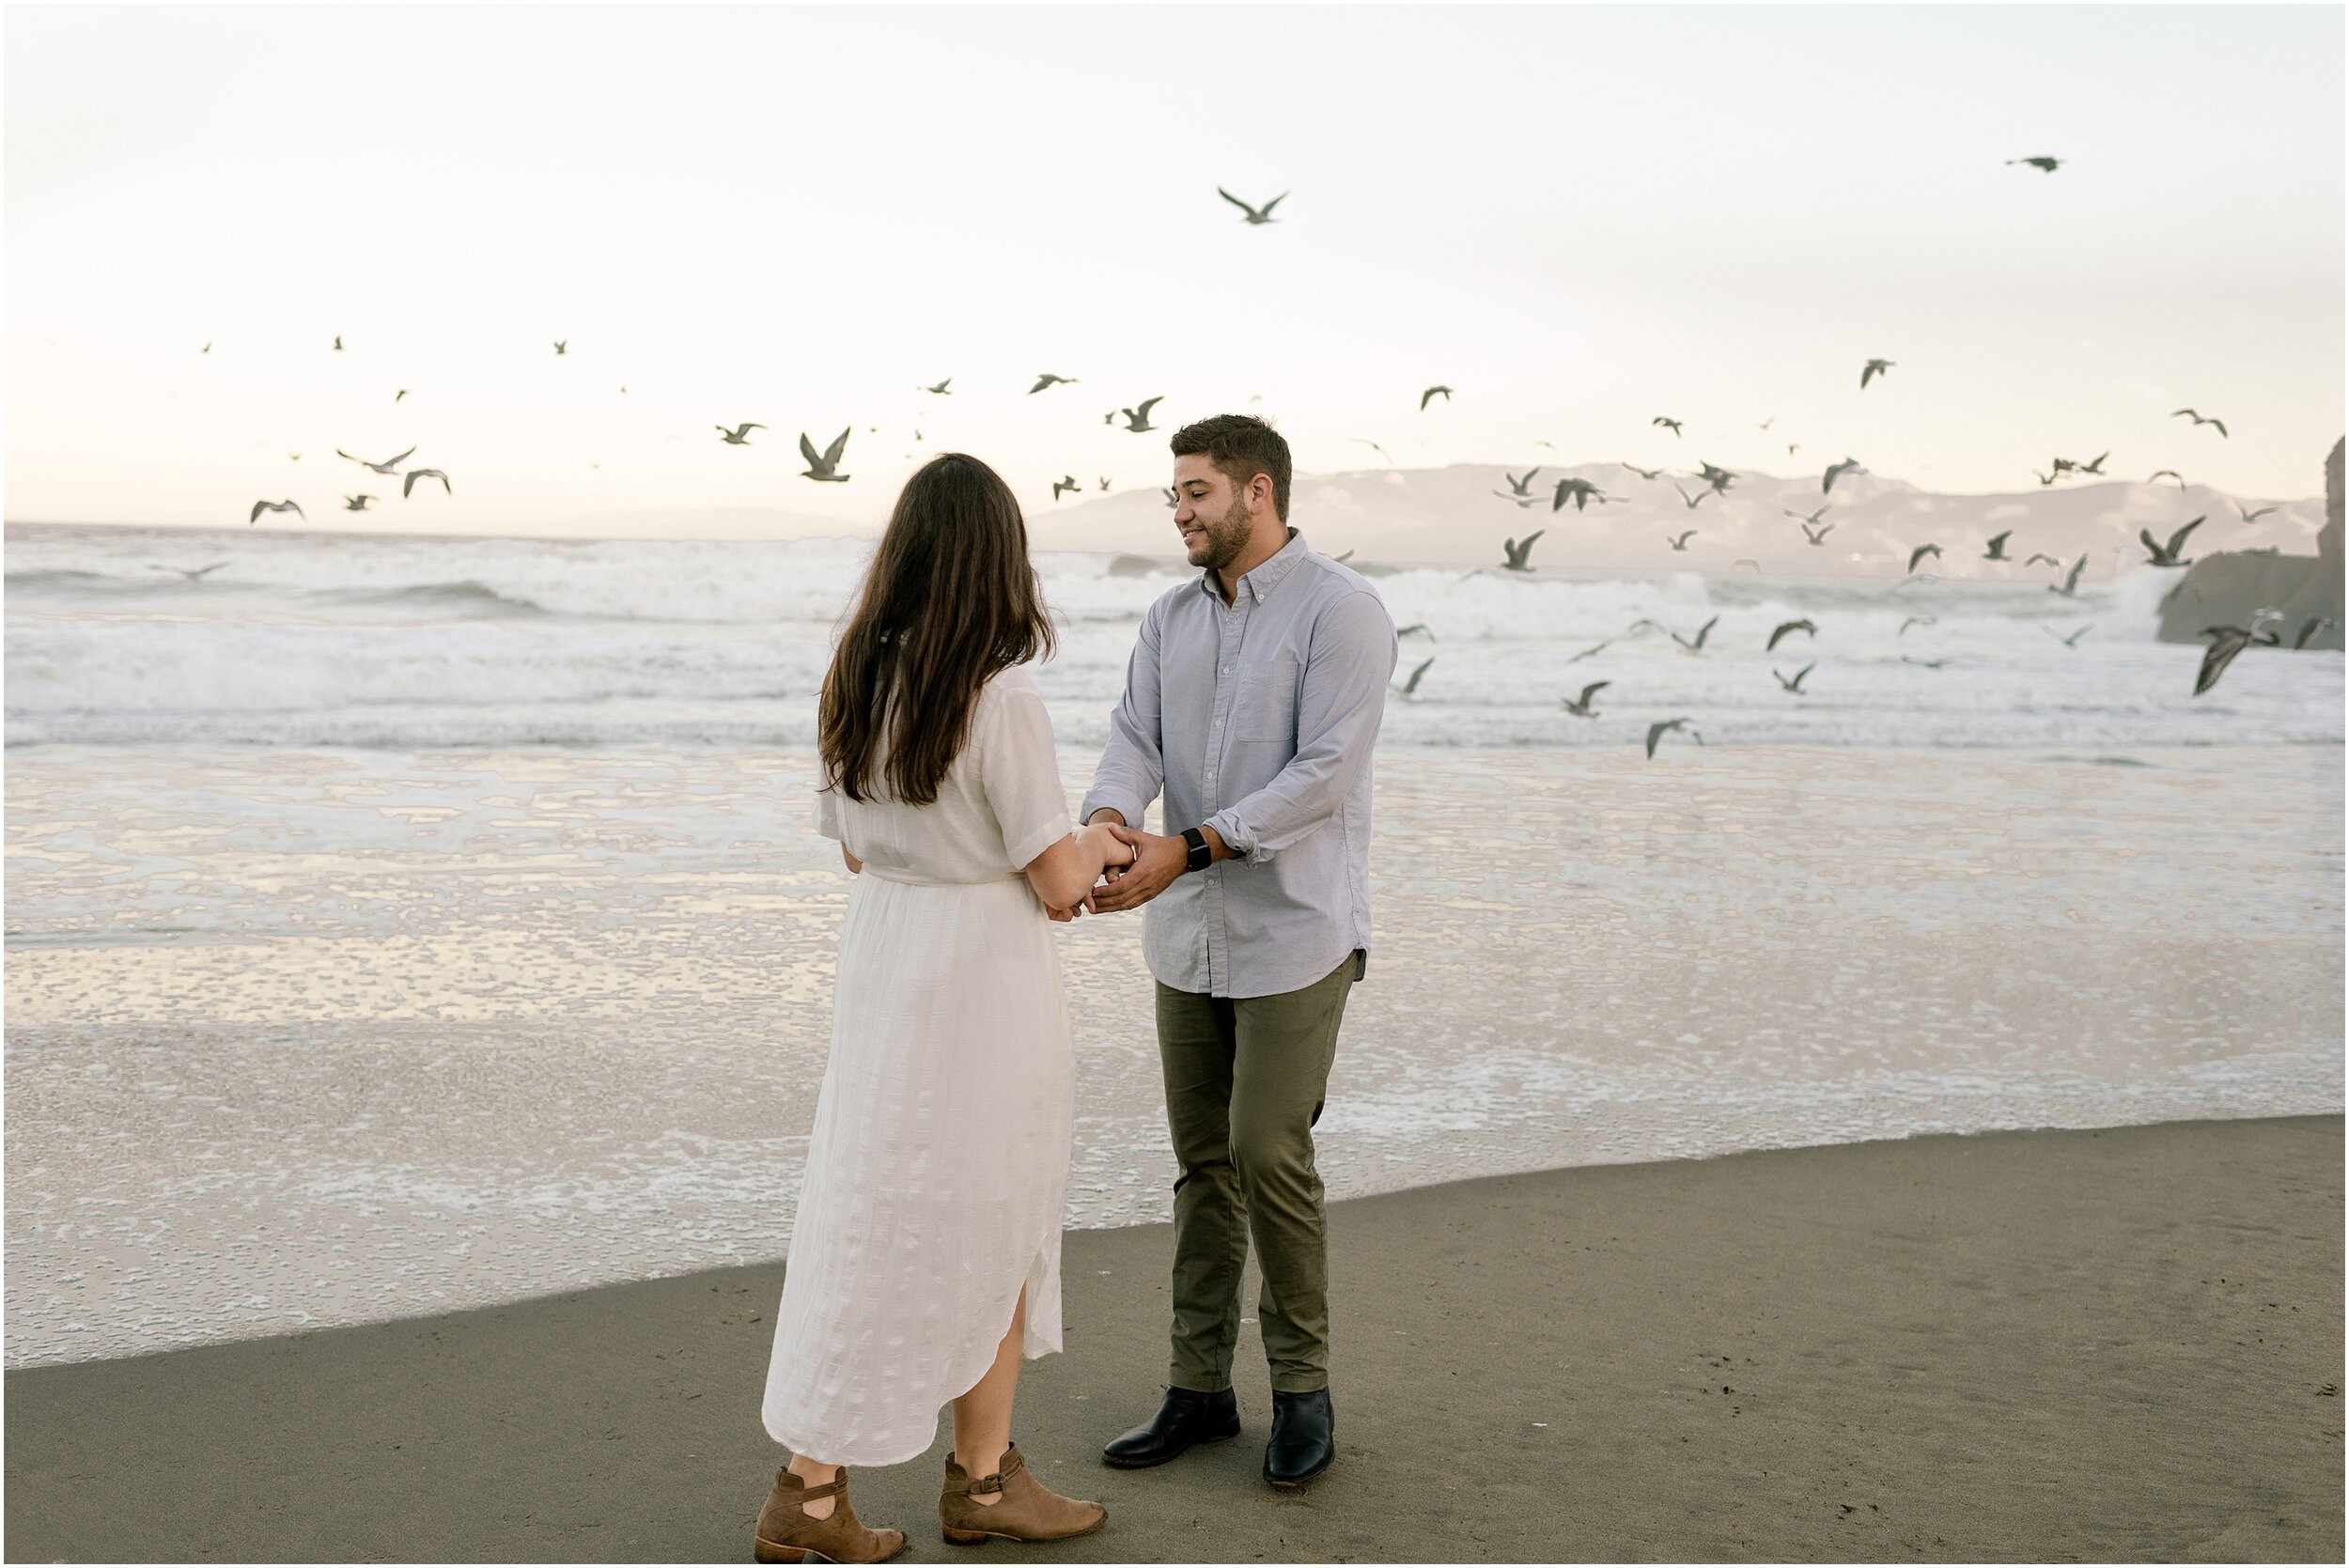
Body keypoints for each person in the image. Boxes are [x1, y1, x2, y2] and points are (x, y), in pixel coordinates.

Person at [751, 453, 1126, 1563]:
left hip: (886, 966)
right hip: (980, 980)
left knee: (869, 1212)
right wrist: (1099, 844)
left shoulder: (856, 675)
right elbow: (1057, 881)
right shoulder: (999, 691)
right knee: (989, 1219)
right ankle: (981, 1480)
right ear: (996, 559)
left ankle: (811, 1493)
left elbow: (860, 854)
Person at [1076, 412, 1398, 1489]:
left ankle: (1303, 1394)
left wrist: (1189, 846)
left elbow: (1322, 776)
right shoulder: (1169, 618)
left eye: (1197, 493)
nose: (1180, 513)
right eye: (1175, 495)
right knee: (1202, 1166)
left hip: (1295, 932)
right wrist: (1113, 822)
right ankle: (1198, 1390)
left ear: (1257, 492)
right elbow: (1133, 734)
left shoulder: (1341, 610)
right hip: (1185, 937)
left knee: (1267, 1152)